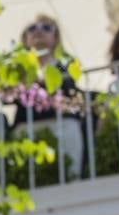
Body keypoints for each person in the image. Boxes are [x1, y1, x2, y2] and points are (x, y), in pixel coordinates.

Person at [9, 13, 86, 176]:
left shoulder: (67, 64)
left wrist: (42, 81)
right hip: (27, 127)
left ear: (55, 37)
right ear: (25, 39)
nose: (38, 31)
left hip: (63, 126)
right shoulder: (18, 69)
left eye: (46, 27)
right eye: (32, 29)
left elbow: (70, 91)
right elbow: (8, 97)